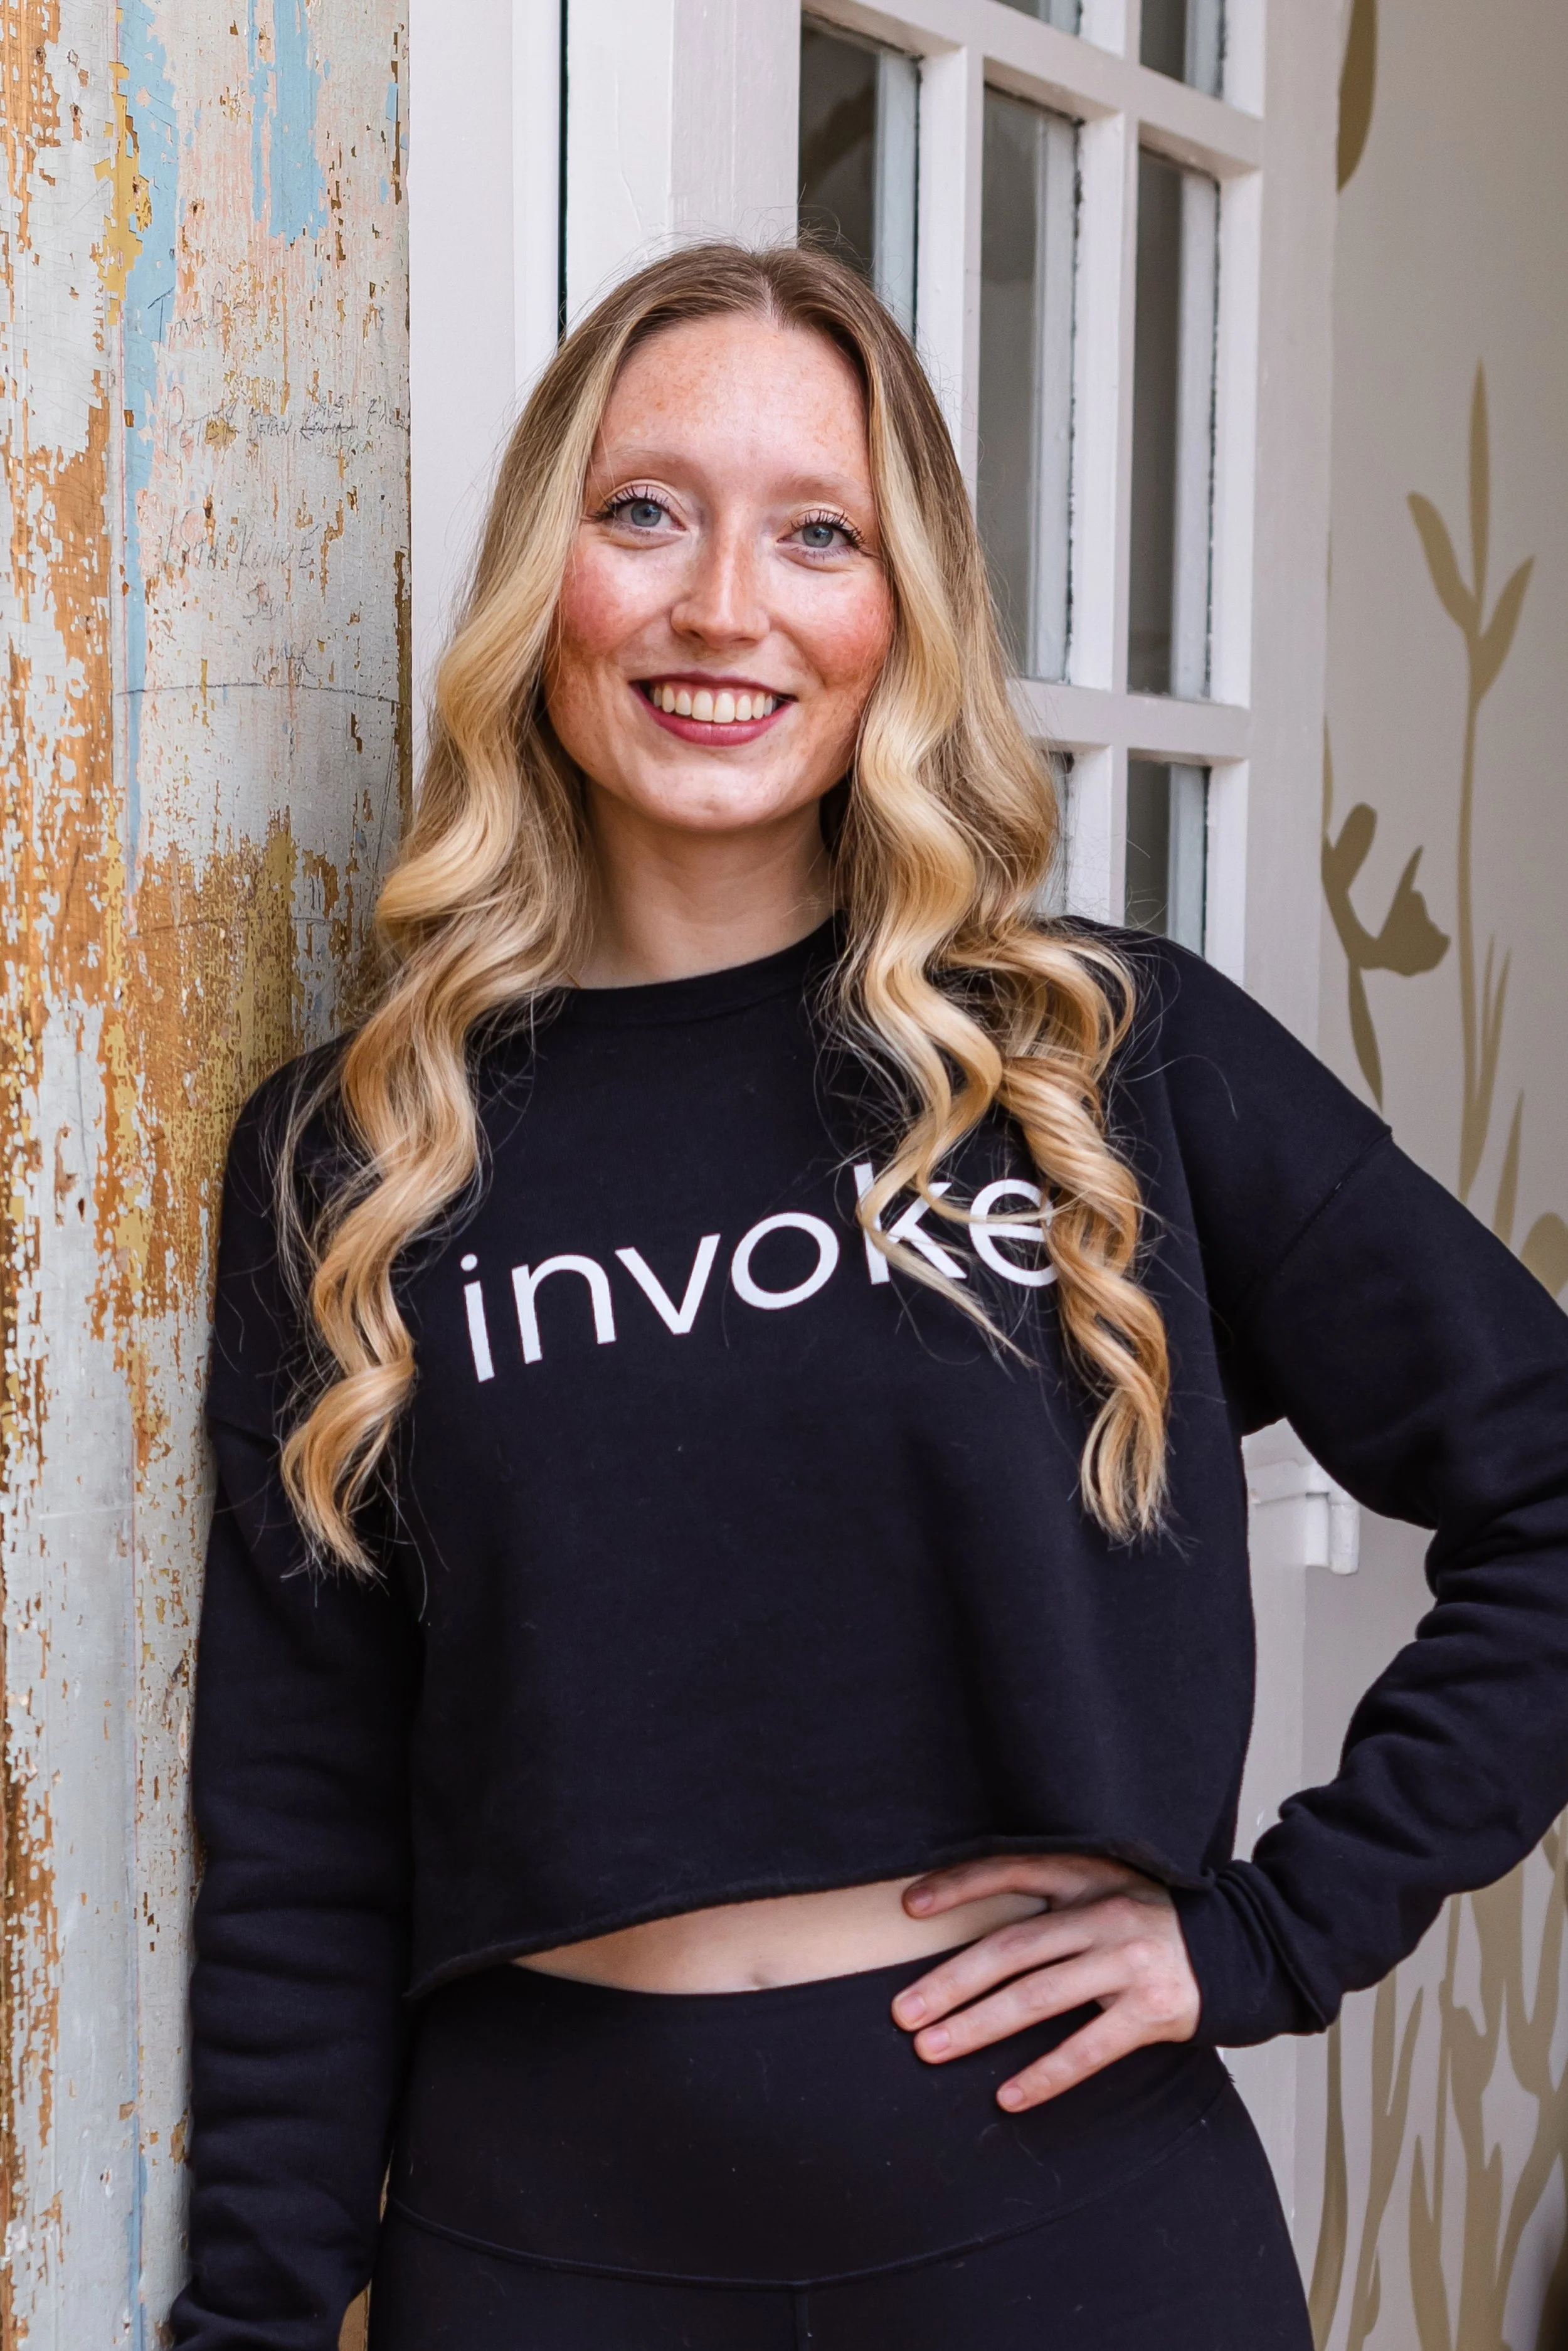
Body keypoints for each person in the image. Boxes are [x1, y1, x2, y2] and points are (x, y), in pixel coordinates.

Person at [171, 242, 1568, 2351]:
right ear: (544, 576)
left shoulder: (1110, 1058)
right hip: (547, 2261)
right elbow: (296, 1830)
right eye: (643, 512)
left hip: (1067, 2235)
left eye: (815, 532)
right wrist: (257, 2323)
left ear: (898, 610)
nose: (721, 605)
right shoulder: (353, 1156)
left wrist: (1275, 1932)